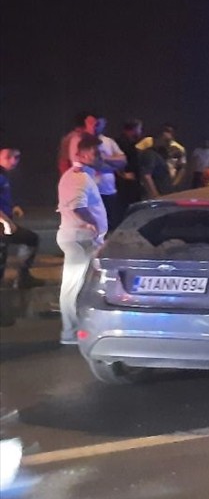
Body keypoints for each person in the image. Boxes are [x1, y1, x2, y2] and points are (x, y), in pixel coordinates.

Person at [57, 133, 107, 345]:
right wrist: (92, 225)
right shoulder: (78, 177)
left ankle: (77, 327)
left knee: (80, 286)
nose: (99, 157)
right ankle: (70, 331)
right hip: (80, 238)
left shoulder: (78, 175)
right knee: (72, 287)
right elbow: (78, 205)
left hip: (81, 238)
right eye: (96, 153)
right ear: (84, 154)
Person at [0, 147, 45, 290]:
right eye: (9, 157)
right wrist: (5, 221)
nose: (13, 161)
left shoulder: (4, 174)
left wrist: (12, 207)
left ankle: (22, 278)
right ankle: (22, 278)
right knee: (30, 240)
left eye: (16, 157)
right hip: (2, 225)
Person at [91, 116, 128, 228]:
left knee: (111, 224)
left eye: (100, 123)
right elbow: (93, 163)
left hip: (108, 190)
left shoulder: (108, 141)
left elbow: (122, 161)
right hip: (90, 190)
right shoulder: (83, 141)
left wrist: (106, 158)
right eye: (95, 123)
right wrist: (111, 164)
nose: (97, 126)